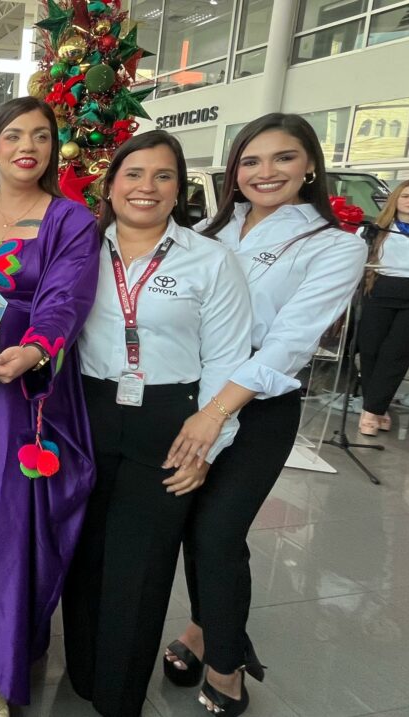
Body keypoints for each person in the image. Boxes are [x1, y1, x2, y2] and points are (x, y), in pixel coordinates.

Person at [161, 113, 368, 717]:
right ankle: (203, 627)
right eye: (250, 161)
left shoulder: (335, 245)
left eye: (283, 158)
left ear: (310, 166)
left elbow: (289, 343)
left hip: (256, 408)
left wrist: (216, 412)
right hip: (190, 392)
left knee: (219, 532)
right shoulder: (209, 231)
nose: (265, 172)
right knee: (191, 524)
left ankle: (227, 664)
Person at [61, 130, 253, 717]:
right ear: (110, 184)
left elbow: (227, 358)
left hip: (171, 417)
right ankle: (84, 674)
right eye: (134, 174)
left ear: (179, 190)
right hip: (86, 409)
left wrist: (207, 443)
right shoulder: (79, 249)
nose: (147, 187)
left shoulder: (210, 260)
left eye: (163, 176)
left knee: (141, 564)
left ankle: (119, 696)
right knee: (84, 551)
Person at [0, 96, 101, 717]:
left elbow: (66, 299)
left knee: (1, 528)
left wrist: (30, 351)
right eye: (12, 135)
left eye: (40, 136)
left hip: (20, 391)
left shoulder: (70, 220)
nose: (26, 147)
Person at [358, 179, 409, 435]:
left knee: (397, 353)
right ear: (395, 198)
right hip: (380, 291)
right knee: (371, 351)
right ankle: (377, 407)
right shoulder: (375, 229)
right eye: (407, 195)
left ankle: (371, 411)